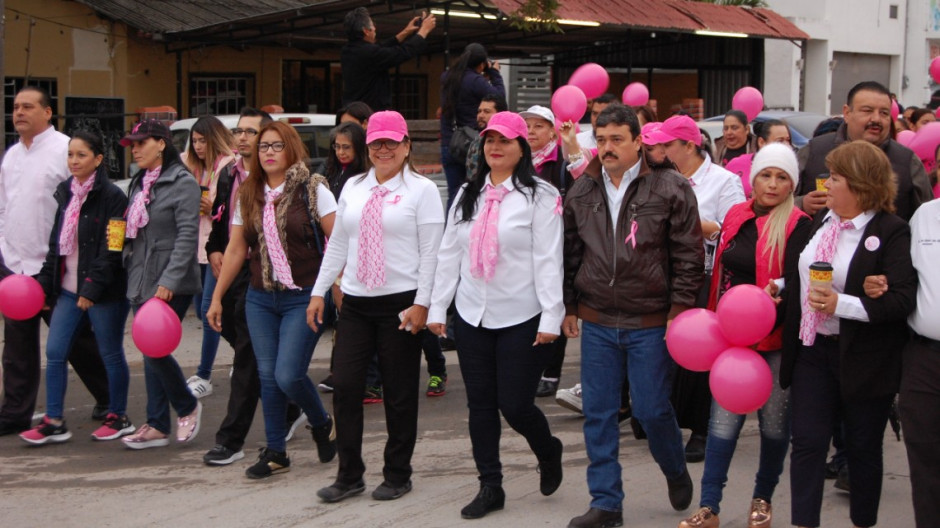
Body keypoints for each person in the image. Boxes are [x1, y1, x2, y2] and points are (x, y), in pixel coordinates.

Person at [562, 104, 703, 528]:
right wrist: (569, 306)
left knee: (651, 410)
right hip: (599, 320)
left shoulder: (671, 186)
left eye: (616, 139)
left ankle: (674, 469)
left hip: (651, 320)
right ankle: (606, 503)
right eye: (600, 140)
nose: (606, 148)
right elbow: (570, 253)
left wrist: (679, 311)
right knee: (599, 413)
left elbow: (688, 254)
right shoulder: (581, 191)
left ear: (639, 141)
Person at [428, 111, 564, 519]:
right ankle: (491, 485)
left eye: (504, 140)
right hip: (472, 314)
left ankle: (548, 448)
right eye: (489, 140)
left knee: (516, 405)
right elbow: (449, 253)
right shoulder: (468, 194)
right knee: (481, 406)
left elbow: (548, 260)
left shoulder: (541, 195)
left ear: (522, 148)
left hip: (522, 314)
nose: (495, 146)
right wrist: (438, 307)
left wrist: (551, 318)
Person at [777, 140, 916, 528]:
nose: (825, 185)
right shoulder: (820, 222)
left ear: (859, 184)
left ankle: (863, 522)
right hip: (813, 351)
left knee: (862, 448)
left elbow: (901, 301)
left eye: (834, 178)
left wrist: (844, 304)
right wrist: (781, 286)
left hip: (864, 357)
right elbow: (801, 272)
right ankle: (804, 522)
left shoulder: (891, 232)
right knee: (806, 444)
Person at [308, 110, 444, 503]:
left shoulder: (422, 190)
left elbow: (431, 254)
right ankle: (349, 474)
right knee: (347, 387)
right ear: (367, 148)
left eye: (391, 142)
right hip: (356, 303)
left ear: (406, 146)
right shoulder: (353, 186)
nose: (383, 149)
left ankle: (398, 473)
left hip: (401, 305)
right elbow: (338, 244)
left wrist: (423, 304)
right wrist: (320, 291)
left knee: (399, 394)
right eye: (376, 143)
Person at [677, 143, 811, 528]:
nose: (772, 184)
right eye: (765, 175)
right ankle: (709, 507)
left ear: (791, 184)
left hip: (774, 339)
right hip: (732, 338)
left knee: (773, 427)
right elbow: (720, 270)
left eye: (781, 177)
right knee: (722, 426)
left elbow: (798, 279)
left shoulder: (798, 224)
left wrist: (775, 295)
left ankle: (762, 499)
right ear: (753, 179)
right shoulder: (736, 214)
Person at [206, 121, 337, 478]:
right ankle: (277, 451)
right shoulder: (249, 193)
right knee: (266, 376)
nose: (268, 152)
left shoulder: (313, 189)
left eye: (276, 146)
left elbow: (338, 244)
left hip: (303, 297)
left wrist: (329, 290)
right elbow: (236, 249)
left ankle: (322, 421)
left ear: (291, 148)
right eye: (263, 147)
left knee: (288, 374)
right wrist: (216, 298)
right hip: (261, 298)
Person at [0, 86, 110, 437]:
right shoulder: (12, 155)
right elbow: (6, 207)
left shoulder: (65, 150)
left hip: (54, 266)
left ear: (47, 113)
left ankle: (110, 397)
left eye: (28, 107)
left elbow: (89, 202)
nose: (19, 113)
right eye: (16, 107)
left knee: (76, 340)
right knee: (17, 346)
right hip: (14, 264)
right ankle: (15, 412)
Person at [20, 130, 132, 445]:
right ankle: (54, 421)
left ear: (98, 160)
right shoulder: (65, 193)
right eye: (70, 155)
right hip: (67, 291)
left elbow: (114, 249)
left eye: (81, 155)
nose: (73, 161)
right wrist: (44, 284)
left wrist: (91, 288)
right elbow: (57, 246)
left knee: (110, 353)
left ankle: (119, 415)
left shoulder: (114, 197)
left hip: (104, 293)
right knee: (55, 352)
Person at [661, 113, 747, 462]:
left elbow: (735, 230)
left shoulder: (724, 181)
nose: (661, 150)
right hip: (662, 274)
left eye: (668, 144)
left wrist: (693, 224)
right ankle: (660, 419)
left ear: (689, 145)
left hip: (704, 274)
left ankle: (701, 428)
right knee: (661, 351)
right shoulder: (661, 178)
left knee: (700, 353)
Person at [118, 119, 203, 449]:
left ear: (161, 144)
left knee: (154, 349)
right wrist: (124, 253)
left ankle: (186, 405)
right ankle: (156, 424)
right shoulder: (140, 182)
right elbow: (134, 231)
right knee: (148, 347)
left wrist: (168, 280)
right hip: (141, 276)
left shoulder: (182, 182)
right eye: (132, 144)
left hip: (172, 281)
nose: (135, 149)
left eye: (141, 143)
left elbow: (186, 236)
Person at [797, 80, 932, 221]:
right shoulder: (813, 151)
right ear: (847, 113)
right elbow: (778, 203)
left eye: (884, 113)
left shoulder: (907, 161)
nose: (876, 119)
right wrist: (802, 204)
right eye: (867, 111)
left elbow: (928, 217)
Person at [521, 105, 573, 398]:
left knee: (554, 306)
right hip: (523, 248)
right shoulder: (518, 161)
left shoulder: (562, 164)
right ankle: (529, 368)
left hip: (558, 246)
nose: (531, 131)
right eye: (527, 125)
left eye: (539, 125)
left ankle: (551, 373)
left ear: (553, 131)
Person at [184, 116, 236, 399]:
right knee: (209, 311)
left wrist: (210, 206)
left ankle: (204, 374)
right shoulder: (191, 165)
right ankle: (244, 355)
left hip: (218, 248)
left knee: (209, 312)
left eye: (203, 140)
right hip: (195, 247)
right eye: (194, 141)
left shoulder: (228, 166)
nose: (198, 146)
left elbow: (228, 208)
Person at [439, 42, 505, 207]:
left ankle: (451, 230)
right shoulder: (475, 80)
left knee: (454, 194)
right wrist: (494, 73)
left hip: (450, 143)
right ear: (481, 64)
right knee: (476, 192)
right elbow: (499, 99)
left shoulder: (447, 77)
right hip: (473, 145)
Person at [340, 7, 436, 110]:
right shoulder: (370, 53)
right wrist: (423, 32)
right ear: (366, 31)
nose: (375, 28)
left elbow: (380, 48)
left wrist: (406, 31)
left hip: (353, 110)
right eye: (373, 26)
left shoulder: (348, 51)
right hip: (369, 114)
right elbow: (401, 52)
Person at [724, 119, 792, 197]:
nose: (786, 145)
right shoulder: (735, 164)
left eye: (788, 140)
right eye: (780, 141)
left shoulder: (789, 169)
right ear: (761, 142)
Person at [464, 94, 509, 197]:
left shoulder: (511, 142)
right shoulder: (476, 140)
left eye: (486, 112)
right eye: (479, 111)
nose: (481, 115)